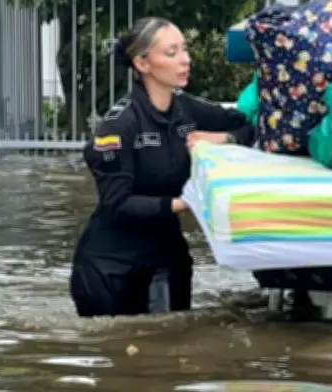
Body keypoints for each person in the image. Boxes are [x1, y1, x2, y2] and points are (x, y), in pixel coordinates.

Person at [70, 17, 258, 317]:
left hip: (166, 257)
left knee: (173, 339)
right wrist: (184, 203)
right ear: (142, 63)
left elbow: (252, 126)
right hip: (111, 267)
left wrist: (225, 138)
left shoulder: (186, 109)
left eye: (184, 49)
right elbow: (116, 203)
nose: (185, 60)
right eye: (172, 53)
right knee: (118, 342)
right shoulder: (119, 124)